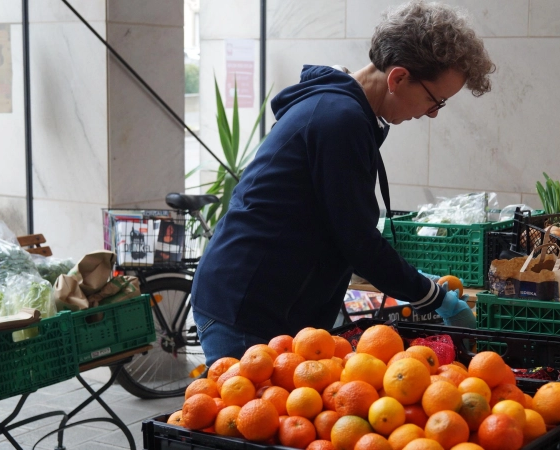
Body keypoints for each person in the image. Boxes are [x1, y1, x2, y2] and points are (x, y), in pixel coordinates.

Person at [190, 0, 495, 364]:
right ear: (398, 78)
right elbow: (357, 241)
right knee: (249, 417)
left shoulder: (346, 113)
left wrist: (414, 281)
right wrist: (433, 297)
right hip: (248, 307)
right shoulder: (339, 120)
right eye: (435, 101)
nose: (431, 114)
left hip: (272, 303)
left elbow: (337, 225)